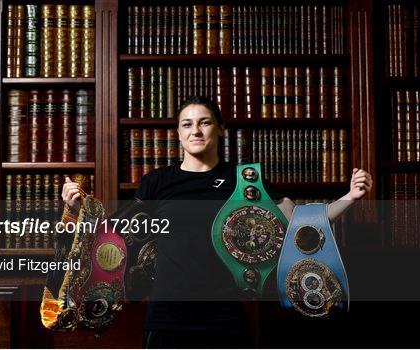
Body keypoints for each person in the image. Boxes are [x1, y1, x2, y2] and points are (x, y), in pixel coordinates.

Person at [62, 96, 373, 348]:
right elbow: (118, 232)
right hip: (166, 314)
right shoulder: (157, 182)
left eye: (204, 122)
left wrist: (349, 197)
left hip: (224, 315)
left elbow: (301, 223)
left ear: (220, 129)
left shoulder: (244, 180)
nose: (195, 130)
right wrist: (78, 211)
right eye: (187, 124)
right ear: (179, 134)